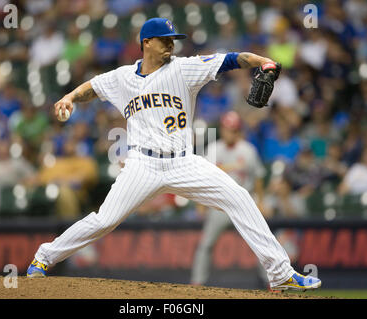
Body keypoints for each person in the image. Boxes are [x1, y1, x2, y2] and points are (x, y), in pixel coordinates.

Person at [27, 18, 321, 291]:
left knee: (240, 197)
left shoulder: (184, 68)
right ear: (146, 42)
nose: (171, 43)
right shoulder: (122, 77)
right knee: (105, 220)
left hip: (183, 162)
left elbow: (231, 59)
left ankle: (280, 272)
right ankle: (44, 257)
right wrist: (69, 97)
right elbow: (93, 87)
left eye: (173, 39)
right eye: (164, 39)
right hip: (142, 164)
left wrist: (263, 61)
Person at [190, 111, 267, 286]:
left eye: (232, 129)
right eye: (226, 129)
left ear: (238, 130)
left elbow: (259, 177)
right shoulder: (213, 149)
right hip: (220, 205)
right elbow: (204, 178)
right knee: (206, 244)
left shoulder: (248, 150)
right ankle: (196, 283)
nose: (229, 132)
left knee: (260, 243)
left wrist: (261, 201)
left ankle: (271, 282)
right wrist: (200, 204)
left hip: (243, 204)